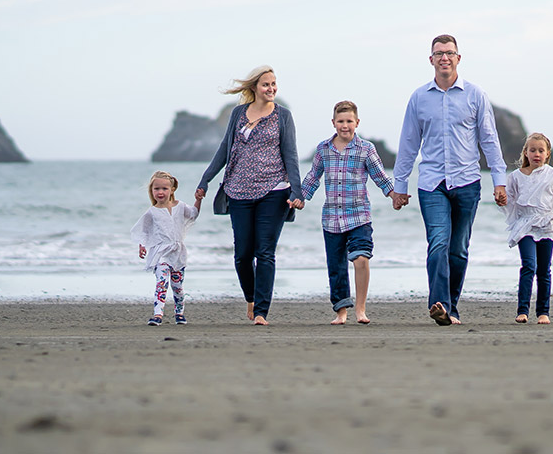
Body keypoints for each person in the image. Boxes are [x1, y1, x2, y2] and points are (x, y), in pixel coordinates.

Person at [392, 34, 507, 326]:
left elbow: (489, 140)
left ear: (458, 58)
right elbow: (408, 143)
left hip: (467, 182)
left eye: (450, 53)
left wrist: (499, 180)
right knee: (438, 243)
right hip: (431, 183)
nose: (445, 57)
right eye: (439, 53)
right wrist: (400, 186)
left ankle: (451, 308)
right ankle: (438, 304)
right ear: (431, 59)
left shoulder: (475, 94)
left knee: (458, 249)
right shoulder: (419, 97)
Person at [196, 65, 304, 326]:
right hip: (238, 191)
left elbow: (290, 154)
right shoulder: (237, 114)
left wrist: (297, 191)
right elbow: (225, 149)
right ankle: (251, 298)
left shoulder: (283, 116)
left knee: (265, 252)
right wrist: (205, 179)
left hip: (274, 191)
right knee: (243, 254)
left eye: (274, 84)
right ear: (254, 87)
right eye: (266, 84)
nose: (271, 89)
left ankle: (261, 312)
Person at [299, 100, 394, 325]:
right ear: (333, 123)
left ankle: (360, 309)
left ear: (357, 122)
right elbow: (313, 176)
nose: (345, 125)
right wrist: (301, 197)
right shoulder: (323, 148)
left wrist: (394, 195)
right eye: (340, 121)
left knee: (361, 258)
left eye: (349, 121)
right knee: (337, 267)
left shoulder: (366, 149)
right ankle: (341, 311)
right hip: (331, 218)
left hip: (359, 214)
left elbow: (380, 176)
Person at [504, 133, 553, 325]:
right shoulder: (515, 177)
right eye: (532, 150)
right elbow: (508, 200)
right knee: (529, 266)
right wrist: (501, 199)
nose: (536, 154)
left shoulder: (552, 174)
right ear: (526, 152)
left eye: (541, 151)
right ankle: (522, 310)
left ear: (547, 154)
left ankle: (543, 312)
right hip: (524, 225)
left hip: (546, 225)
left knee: (543, 271)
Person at [131, 171, 202, 326]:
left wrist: (198, 200)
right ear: (152, 191)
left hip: (177, 253)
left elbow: (193, 214)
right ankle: (158, 315)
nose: (160, 192)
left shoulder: (180, 206)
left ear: (172, 190)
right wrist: (142, 245)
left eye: (164, 188)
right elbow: (143, 230)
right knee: (162, 282)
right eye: (156, 189)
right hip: (160, 253)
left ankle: (179, 313)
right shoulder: (151, 212)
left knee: (177, 287)